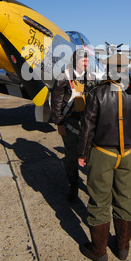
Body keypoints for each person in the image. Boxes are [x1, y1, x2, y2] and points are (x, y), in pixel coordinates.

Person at [77, 54, 131, 261]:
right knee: (125, 198)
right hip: (126, 153)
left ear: (108, 69)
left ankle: (99, 251)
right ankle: (123, 248)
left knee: (99, 200)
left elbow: (87, 126)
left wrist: (82, 153)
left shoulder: (98, 92)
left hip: (102, 153)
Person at [51, 49, 91, 203]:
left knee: (90, 156)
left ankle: (92, 186)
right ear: (76, 62)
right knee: (71, 157)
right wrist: (59, 123)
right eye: (83, 61)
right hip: (70, 123)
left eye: (87, 61)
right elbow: (56, 102)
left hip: (87, 124)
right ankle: (73, 185)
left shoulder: (89, 77)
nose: (86, 64)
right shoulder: (63, 77)